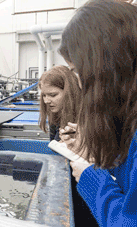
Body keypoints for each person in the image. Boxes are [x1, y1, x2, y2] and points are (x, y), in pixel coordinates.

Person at [58, 0, 137, 226]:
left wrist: (90, 177)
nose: (81, 84)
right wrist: (91, 147)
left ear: (103, 66)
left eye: (78, 72)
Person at [38, 65, 98, 226]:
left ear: (69, 92)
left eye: (53, 95)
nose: (46, 101)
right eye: (44, 95)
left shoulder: (89, 116)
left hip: (87, 189)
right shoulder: (55, 116)